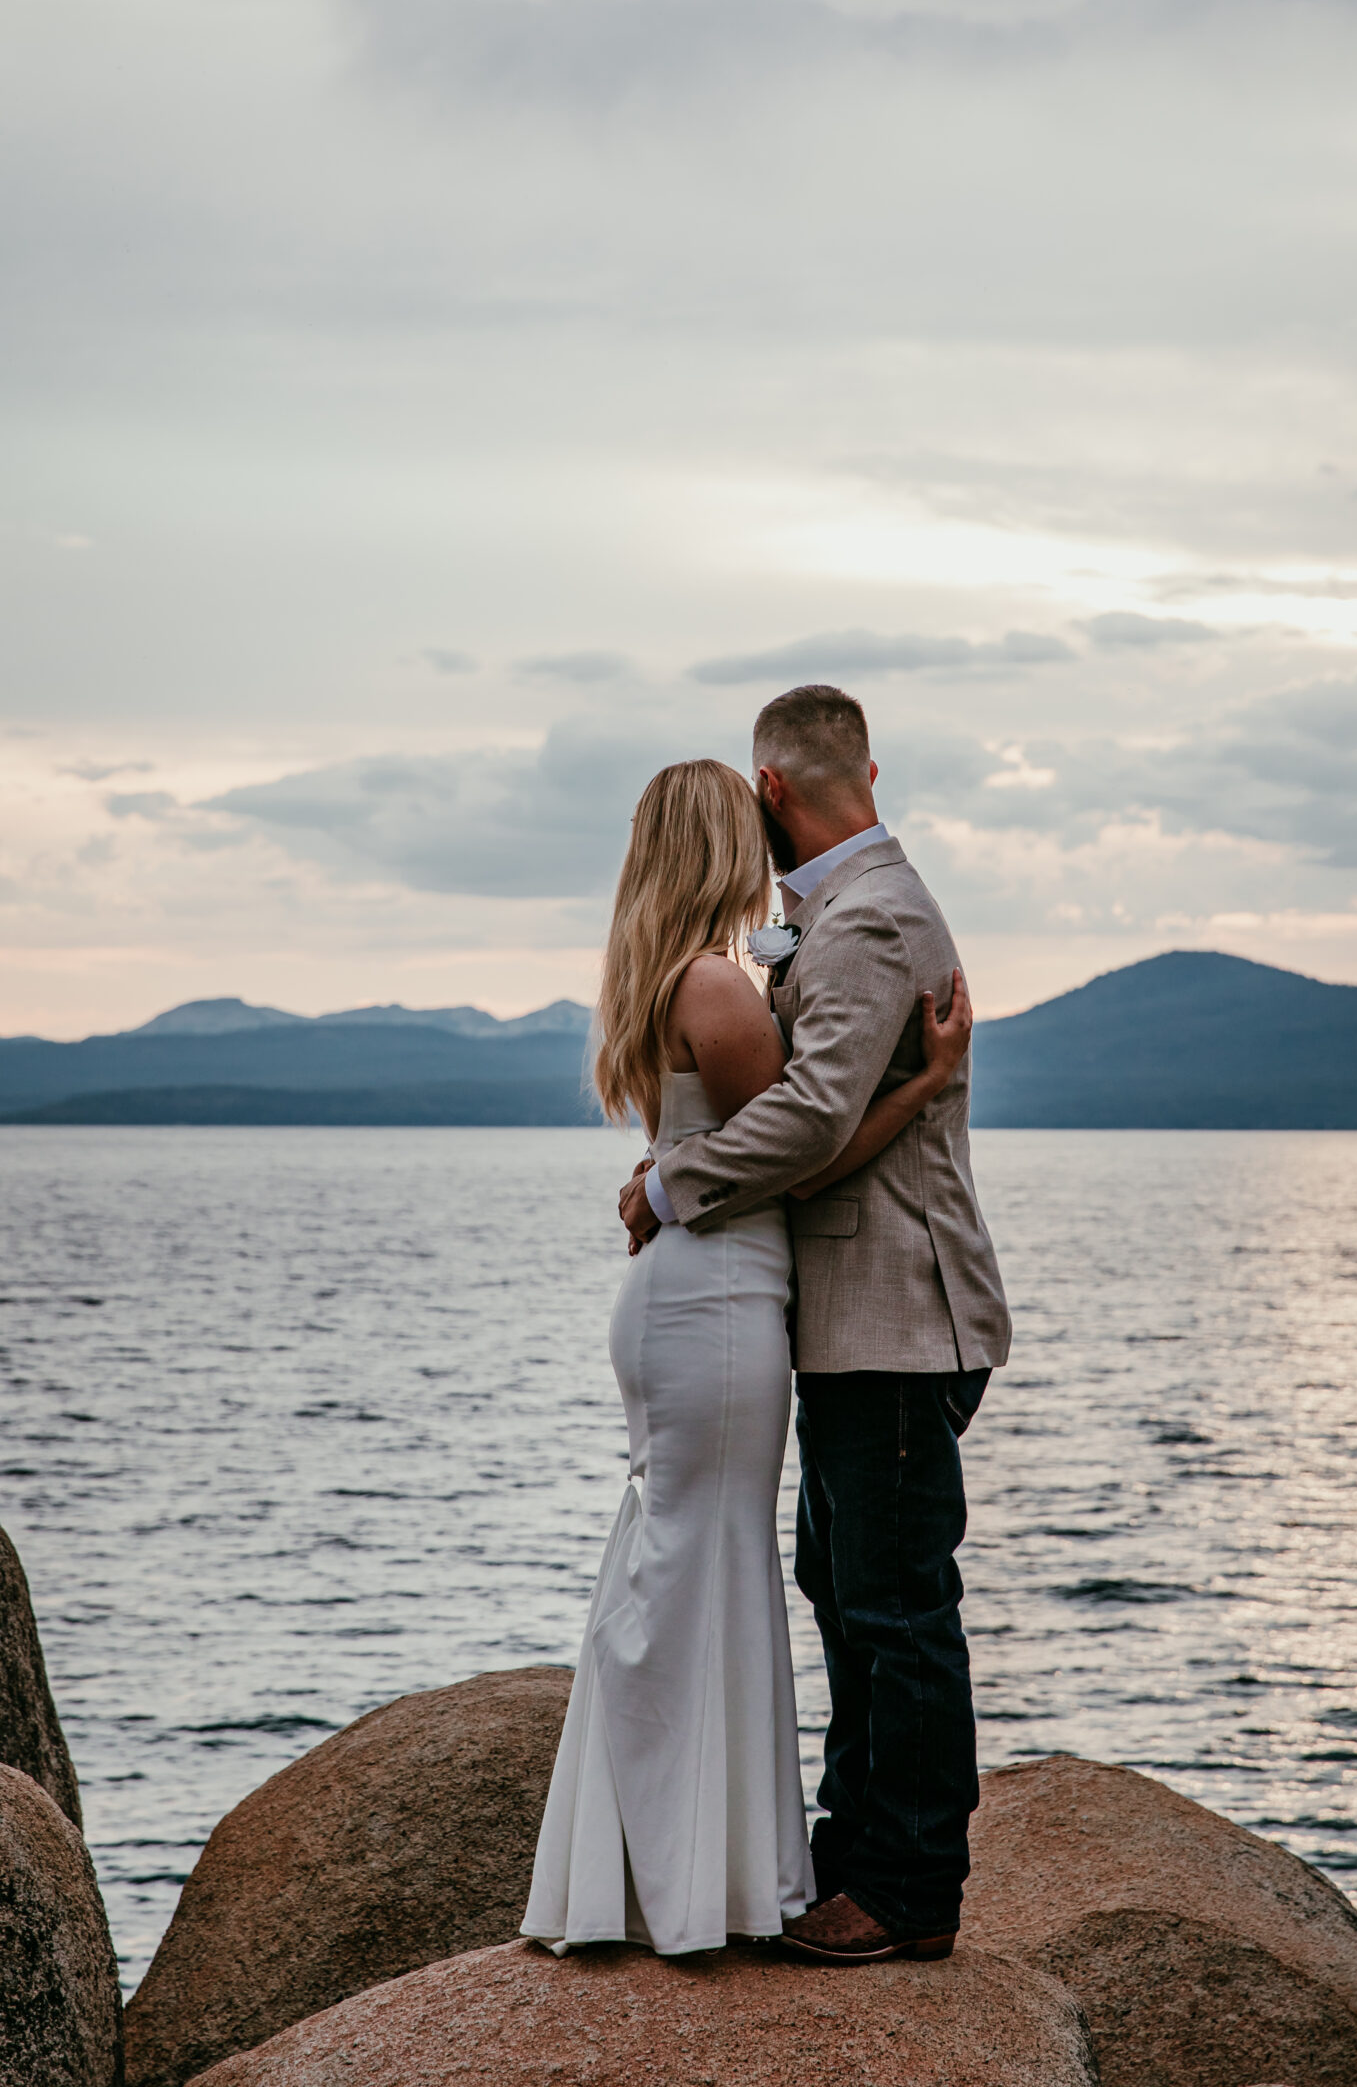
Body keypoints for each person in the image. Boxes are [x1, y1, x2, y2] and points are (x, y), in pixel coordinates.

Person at [521, 754, 973, 1960]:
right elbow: (802, 1150)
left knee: (691, 1556)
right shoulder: (718, 986)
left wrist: (670, 1182)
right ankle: (689, 1862)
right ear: (723, 841)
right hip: (715, 1297)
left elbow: (759, 1145)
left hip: (698, 1296)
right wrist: (922, 1081)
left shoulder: (677, 974)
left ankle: (671, 1857)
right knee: (704, 1559)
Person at [618, 686, 1011, 1966]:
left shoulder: (866, 919)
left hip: (895, 1312)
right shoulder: (835, 919)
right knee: (844, 1585)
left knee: (892, 1602)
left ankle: (906, 1888)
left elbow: (815, 1120)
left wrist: (677, 1182)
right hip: (857, 1316)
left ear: (773, 791)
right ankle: (858, 1853)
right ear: (864, 771)